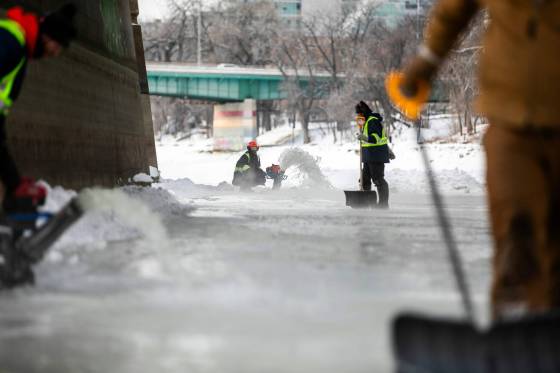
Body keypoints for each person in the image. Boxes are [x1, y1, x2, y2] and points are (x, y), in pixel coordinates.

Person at [388, 1, 560, 318]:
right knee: (517, 233)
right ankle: (513, 329)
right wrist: (425, 63)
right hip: (510, 121)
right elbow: (454, 10)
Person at [1, 3, 77, 216]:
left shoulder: (18, 45)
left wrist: (14, 183)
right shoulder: (10, 42)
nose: (55, 53)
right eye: (58, 46)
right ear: (48, 37)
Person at [355, 101, 394, 208]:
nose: (358, 117)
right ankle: (366, 202)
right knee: (364, 180)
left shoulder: (373, 121)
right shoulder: (366, 122)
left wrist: (364, 137)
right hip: (368, 156)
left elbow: (376, 138)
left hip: (376, 156)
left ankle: (383, 204)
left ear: (364, 113)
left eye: (359, 114)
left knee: (378, 179)